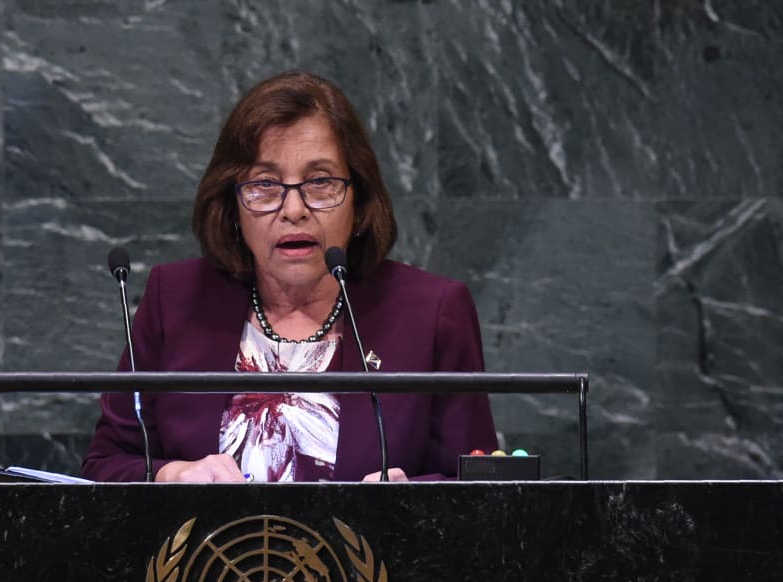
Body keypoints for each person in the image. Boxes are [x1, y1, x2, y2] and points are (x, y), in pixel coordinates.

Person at [82, 71, 497, 483]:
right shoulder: (173, 299)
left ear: (360, 198)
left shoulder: (433, 312)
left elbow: (478, 482)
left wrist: (410, 502)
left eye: (320, 182)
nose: (294, 209)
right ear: (232, 205)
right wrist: (173, 474)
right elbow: (106, 464)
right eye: (264, 184)